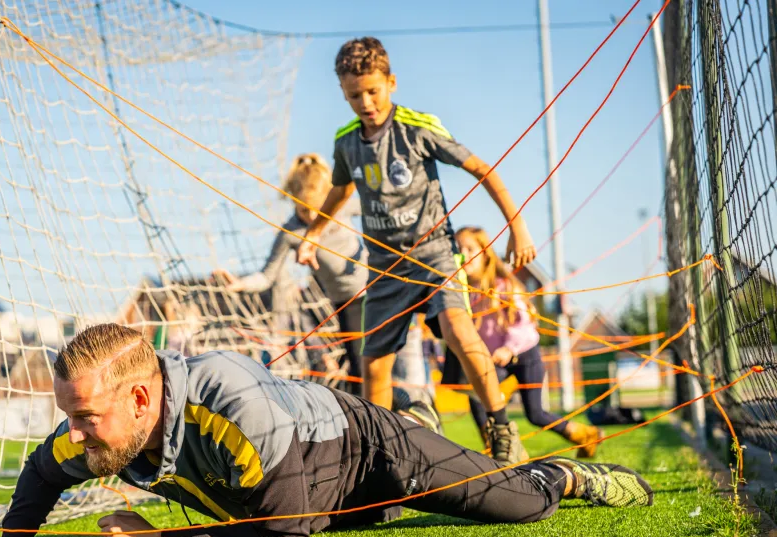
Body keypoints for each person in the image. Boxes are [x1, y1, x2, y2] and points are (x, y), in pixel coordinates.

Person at [0, 323, 652, 537]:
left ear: (141, 399)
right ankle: (422, 418)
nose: (72, 434)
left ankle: (562, 473)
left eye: (83, 417)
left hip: (372, 451)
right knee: (371, 522)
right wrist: (16, 534)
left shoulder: (229, 404)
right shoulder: (98, 427)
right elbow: (41, 468)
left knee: (519, 507)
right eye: (69, 417)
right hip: (321, 497)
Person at [296, 37, 538, 465]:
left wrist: (517, 228)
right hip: (386, 268)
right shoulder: (347, 141)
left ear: (391, 83)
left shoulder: (418, 127)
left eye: (373, 91)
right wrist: (314, 232)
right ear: (343, 93)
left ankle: (502, 429)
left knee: (461, 332)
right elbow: (340, 189)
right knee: (374, 366)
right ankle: (377, 456)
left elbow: (482, 169)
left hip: (436, 257)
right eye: (355, 95)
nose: (366, 102)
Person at [213, 153, 440, 432]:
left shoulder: (340, 208)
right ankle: (401, 416)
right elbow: (267, 275)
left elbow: (380, 206)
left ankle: (415, 410)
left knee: (392, 362)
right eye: (303, 209)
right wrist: (240, 283)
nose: (310, 216)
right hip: (346, 305)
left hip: (377, 289)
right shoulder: (291, 232)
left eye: (315, 209)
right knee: (361, 375)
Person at [455, 226, 602, 457]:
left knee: (535, 414)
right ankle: (494, 447)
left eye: (470, 248)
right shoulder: (465, 293)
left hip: (524, 354)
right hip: (497, 360)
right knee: (477, 395)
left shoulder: (504, 286)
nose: (464, 254)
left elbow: (523, 323)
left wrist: (508, 347)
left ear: (484, 253)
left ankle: (584, 434)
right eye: (459, 249)